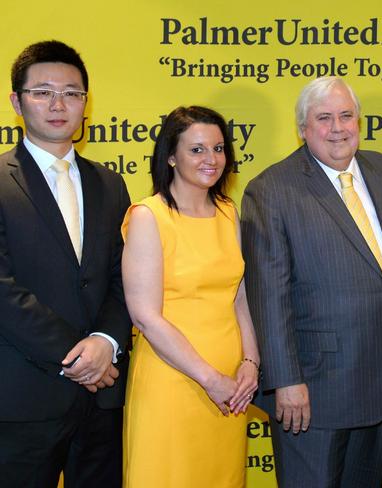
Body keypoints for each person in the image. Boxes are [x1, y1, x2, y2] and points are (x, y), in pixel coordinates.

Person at [241, 76, 382, 488]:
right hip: (313, 390)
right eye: (324, 118)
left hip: (381, 380)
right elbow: (269, 296)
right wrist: (285, 380)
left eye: (346, 116)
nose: (337, 127)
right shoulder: (271, 190)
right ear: (302, 128)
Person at [0, 41, 132, 487]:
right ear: (17, 102)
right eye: (43, 92)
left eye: (72, 93)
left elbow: (122, 279)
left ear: (86, 103)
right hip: (22, 398)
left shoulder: (111, 185)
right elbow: (3, 289)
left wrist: (106, 342)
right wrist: (76, 356)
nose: (59, 105)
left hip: (103, 401)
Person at [121, 105, 259, 487]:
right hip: (174, 382)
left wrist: (250, 361)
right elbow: (146, 316)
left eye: (218, 149)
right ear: (170, 156)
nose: (211, 159)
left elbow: (240, 296)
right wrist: (209, 379)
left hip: (232, 389)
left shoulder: (230, 212)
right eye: (196, 150)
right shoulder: (149, 216)